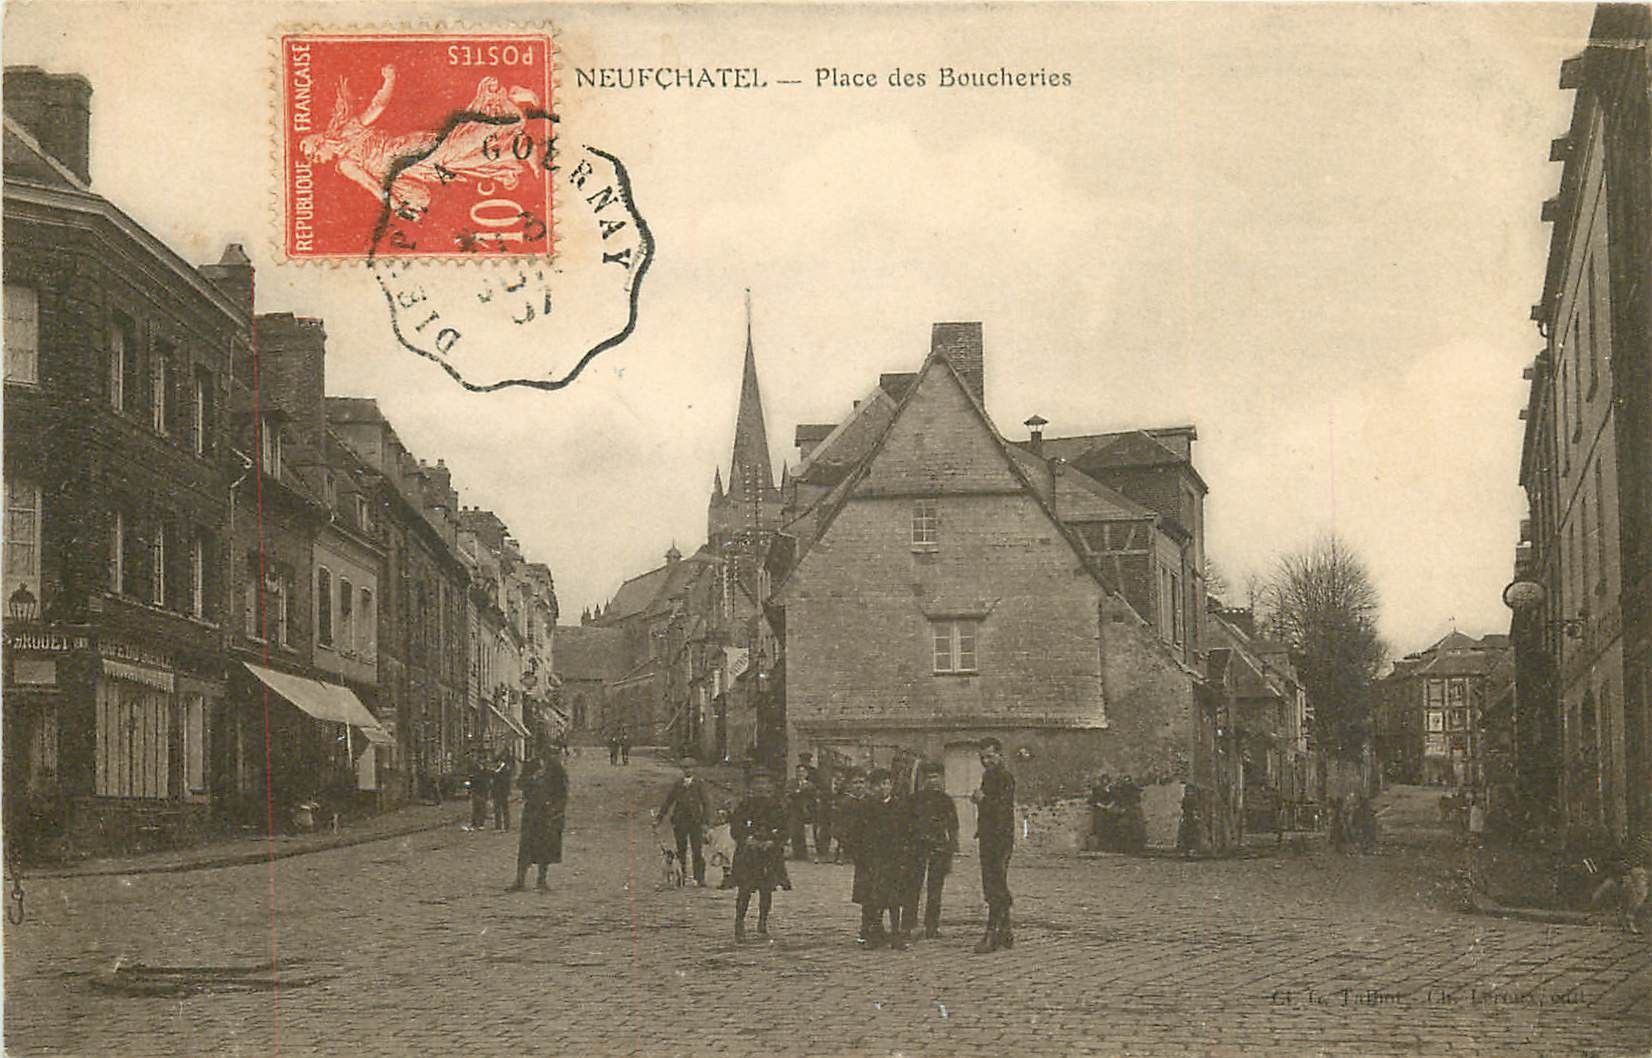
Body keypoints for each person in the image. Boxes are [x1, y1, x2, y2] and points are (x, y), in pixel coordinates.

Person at [298, 64, 544, 223]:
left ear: (321, 141)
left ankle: (510, 104)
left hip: (412, 151)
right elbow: (377, 186)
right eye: (312, 159)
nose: (315, 160)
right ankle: (519, 148)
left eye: (313, 152)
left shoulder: (346, 151)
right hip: (414, 167)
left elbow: (378, 107)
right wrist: (399, 205)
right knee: (464, 160)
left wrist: (389, 79)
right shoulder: (345, 159)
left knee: (458, 152)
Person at [856, 767, 913, 950]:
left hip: (894, 857)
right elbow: (860, 833)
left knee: (895, 898)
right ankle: (874, 934)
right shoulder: (867, 807)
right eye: (880, 785)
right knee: (875, 897)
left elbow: (906, 831)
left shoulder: (900, 806)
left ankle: (896, 933)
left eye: (887, 783)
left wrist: (904, 853)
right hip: (874, 858)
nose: (884, 788)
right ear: (873, 787)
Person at [729, 769, 788, 941]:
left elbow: (784, 829)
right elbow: (736, 827)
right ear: (751, 787)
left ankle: (762, 922)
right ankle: (739, 923)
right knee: (745, 889)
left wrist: (773, 841)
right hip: (748, 853)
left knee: (766, 889)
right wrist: (747, 839)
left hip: (768, 854)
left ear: (771, 786)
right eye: (757, 783)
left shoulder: (776, 806)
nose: (761, 787)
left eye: (765, 783)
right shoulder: (744, 805)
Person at [903, 761, 959, 940]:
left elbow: (953, 826)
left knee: (935, 889)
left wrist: (952, 849)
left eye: (935, 777)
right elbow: (905, 824)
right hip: (917, 847)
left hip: (939, 847)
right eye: (928, 777)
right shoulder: (913, 800)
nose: (932, 781)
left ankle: (932, 926)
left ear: (942, 779)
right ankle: (909, 925)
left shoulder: (946, 800)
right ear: (922, 779)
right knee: (913, 886)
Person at [971, 737, 1016, 953]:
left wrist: (982, 800)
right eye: (982, 758)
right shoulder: (988, 776)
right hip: (989, 836)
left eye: (990, 756)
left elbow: (1001, 808)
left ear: (1000, 755)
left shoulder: (1005, 777)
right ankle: (1005, 931)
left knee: (995, 883)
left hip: (1001, 837)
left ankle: (992, 932)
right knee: (992, 881)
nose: (986, 761)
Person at [508, 754, 568, 891]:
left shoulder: (555, 768)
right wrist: (531, 779)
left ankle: (541, 880)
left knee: (545, 848)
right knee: (525, 847)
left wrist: (557, 811)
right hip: (532, 812)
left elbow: (562, 792)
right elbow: (520, 784)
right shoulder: (531, 765)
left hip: (548, 814)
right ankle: (520, 880)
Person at [655, 758, 712, 887]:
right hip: (680, 821)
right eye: (685, 768)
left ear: (695, 769)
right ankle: (681, 876)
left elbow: (706, 804)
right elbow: (668, 802)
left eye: (691, 768)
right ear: (682, 769)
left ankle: (700, 878)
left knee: (697, 850)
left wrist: (705, 822)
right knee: (681, 849)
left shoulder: (699, 784)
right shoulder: (677, 784)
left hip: (695, 821)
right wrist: (659, 818)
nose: (688, 770)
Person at [786, 764, 817, 861]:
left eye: (803, 772)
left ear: (806, 773)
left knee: (806, 832)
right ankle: (796, 853)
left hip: (805, 810)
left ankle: (804, 853)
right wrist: (797, 792)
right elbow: (788, 793)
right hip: (794, 810)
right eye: (799, 771)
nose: (801, 774)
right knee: (795, 831)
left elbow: (812, 797)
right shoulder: (791, 783)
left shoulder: (810, 785)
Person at [491, 751, 516, 831]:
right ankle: (498, 826)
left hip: (502, 792)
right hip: (497, 792)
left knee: (504, 809)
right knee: (497, 809)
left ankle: (506, 826)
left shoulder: (505, 770)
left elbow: (505, 782)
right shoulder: (499, 769)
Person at [1177, 784, 1203, 858]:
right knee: (1185, 834)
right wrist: (1182, 816)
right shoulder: (1185, 799)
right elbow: (1183, 809)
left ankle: (1192, 850)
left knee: (1193, 834)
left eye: (1191, 791)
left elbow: (1196, 809)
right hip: (1186, 817)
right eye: (1188, 791)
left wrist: (1196, 816)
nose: (1190, 792)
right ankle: (1185, 850)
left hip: (1192, 819)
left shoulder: (1194, 800)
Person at [468, 753, 492, 831]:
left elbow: (488, 780)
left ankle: (481, 824)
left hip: (483, 791)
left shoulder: (486, 770)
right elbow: (472, 779)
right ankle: (474, 824)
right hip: (476, 790)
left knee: (482, 808)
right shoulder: (474, 769)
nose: (482, 762)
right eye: (481, 761)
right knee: (476, 808)